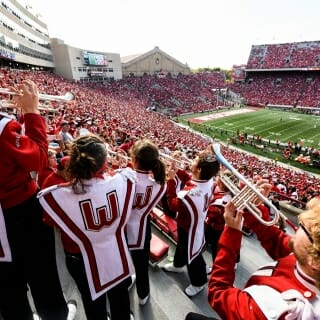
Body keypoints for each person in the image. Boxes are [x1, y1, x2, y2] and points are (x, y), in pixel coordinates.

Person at [38, 134, 136, 320]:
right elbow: (127, 175)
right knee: (119, 296)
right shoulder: (122, 180)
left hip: (79, 257)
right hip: (114, 250)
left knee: (93, 303)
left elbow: (50, 221)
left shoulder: (55, 193)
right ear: (104, 163)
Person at [0, 80, 76, 320]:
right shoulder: (3, 128)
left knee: (9, 289)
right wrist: (32, 114)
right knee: (44, 280)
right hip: (19, 212)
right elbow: (39, 159)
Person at [207, 194, 320, 319]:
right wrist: (252, 208)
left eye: (303, 226)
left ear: (315, 261)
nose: (297, 227)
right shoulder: (308, 258)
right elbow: (276, 240)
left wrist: (231, 233)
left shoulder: (278, 310)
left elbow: (218, 293)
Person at [162, 150, 220, 297]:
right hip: (194, 222)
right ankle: (178, 265)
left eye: (194, 161)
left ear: (199, 169)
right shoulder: (208, 180)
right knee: (182, 246)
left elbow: (172, 205)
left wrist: (170, 179)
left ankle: (199, 282)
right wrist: (177, 170)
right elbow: (190, 179)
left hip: (190, 227)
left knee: (193, 255)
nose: (191, 161)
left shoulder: (189, 194)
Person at [126, 139, 167, 305]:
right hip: (142, 230)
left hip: (121, 229)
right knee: (142, 265)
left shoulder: (124, 178)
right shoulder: (160, 185)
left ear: (134, 159)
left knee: (122, 260)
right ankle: (143, 295)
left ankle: (127, 281)